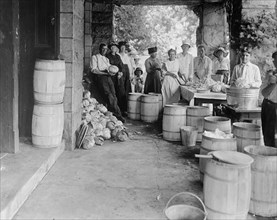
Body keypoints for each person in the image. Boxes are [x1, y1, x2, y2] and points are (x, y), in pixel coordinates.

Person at [90, 43, 125, 122]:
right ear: (100, 49)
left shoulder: (106, 59)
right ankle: (118, 115)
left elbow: (110, 68)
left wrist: (116, 71)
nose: (104, 50)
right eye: (103, 49)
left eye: (106, 49)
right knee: (109, 95)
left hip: (108, 77)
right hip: (101, 78)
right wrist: (105, 73)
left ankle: (115, 115)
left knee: (114, 95)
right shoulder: (95, 57)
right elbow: (94, 70)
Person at [260, 51, 277, 147]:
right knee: (267, 135)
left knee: (275, 137)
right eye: (275, 59)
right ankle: (269, 155)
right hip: (268, 105)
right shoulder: (270, 74)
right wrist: (273, 84)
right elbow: (263, 92)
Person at [117, 41, 132, 115]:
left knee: (127, 90)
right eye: (121, 47)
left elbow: (129, 66)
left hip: (127, 73)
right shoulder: (117, 55)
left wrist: (130, 75)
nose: (123, 49)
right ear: (119, 48)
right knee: (120, 90)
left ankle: (126, 109)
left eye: (124, 47)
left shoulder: (126, 56)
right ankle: (120, 108)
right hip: (120, 73)